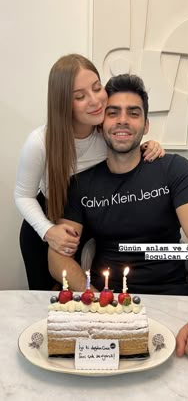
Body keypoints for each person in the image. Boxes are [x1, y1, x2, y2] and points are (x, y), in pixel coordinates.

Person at [48, 73, 188, 359]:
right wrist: (94, 295)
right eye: (113, 113)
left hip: (172, 302)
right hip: (103, 305)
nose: (122, 120)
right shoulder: (81, 184)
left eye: (133, 113)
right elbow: (58, 254)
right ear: (100, 125)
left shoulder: (174, 169)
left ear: (145, 125)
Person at [14, 54, 165, 290]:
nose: (95, 101)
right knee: (47, 302)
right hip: (44, 222)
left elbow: (126, 146)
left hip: (84, 220)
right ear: (63, 102)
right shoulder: (40, 142)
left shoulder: (104, 134)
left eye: (97, 88)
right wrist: (48, 231)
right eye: (80, 96)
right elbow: (23, 195)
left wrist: (149, 145)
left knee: (82, 298)